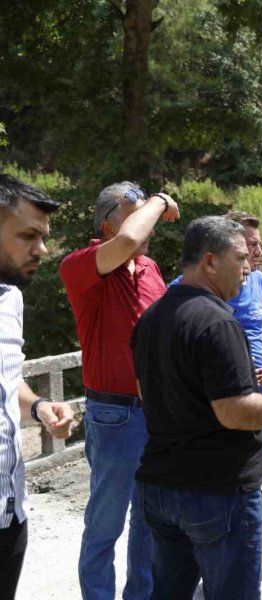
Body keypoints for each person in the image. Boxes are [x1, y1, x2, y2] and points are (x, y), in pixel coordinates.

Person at [131, 216, 262, 600]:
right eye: (240, 258)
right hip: (216, 493)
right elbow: (234, 412)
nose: (249, 268)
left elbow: (147, 391)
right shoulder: (218, 322)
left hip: (160, 489)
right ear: (209, 262)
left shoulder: (151, 318)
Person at [59, 182, 180, 600]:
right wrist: (160, 201)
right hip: (114, 414)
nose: (149, 228)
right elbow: (130, 238)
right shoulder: (79, 265)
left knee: (149, 521)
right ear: (109, 223)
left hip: (158, 412)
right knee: (105, 523)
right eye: (137, 213)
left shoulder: (150, 269)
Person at [170, 210, 262, 583]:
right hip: (211, 402)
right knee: (215, 486)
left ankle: (254, 551)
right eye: (245, 249)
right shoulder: (185, 290)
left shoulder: (259, 283)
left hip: (258, 399)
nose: (255, 254)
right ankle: (210, 564)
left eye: (255, 246)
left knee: (251, 483)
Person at [0, 174, 75, 598]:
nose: (42, 249)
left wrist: (39, 407)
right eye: (27, 235)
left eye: (43, 236)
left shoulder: (11, 298)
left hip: (11, 513)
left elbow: (8, 377)